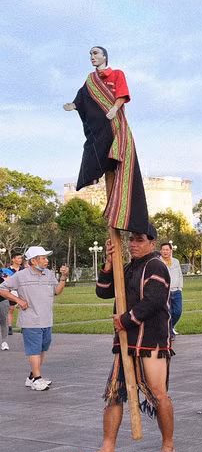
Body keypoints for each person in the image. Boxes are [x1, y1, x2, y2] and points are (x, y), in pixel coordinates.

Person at [77, 225, 174, 452]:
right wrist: (109, 264)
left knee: (158, 393)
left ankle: (168, 445)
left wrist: (125, 319)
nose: (133, 244)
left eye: (139, 240)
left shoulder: (156, 266)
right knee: (114, 393)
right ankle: (107, 450)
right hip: (125, 341)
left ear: (152, 243)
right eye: (131, 240)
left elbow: (154, 301)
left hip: (151, 340)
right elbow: (103, 292)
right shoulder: (129, 267)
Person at [65, 46, 151, 236]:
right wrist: (74, 105)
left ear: (105, 56)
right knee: (92, 151)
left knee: (116, 156)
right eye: (90, 54)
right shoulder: (90, 80)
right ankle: (91, 173)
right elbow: (82, 98)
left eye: (95, 53)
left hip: (115, 126)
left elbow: (121, 94)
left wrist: (114, 108)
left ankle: (123, 214)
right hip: (98, 128)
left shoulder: (117, 74)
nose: (92, 57)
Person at [0, 247, 68, 388]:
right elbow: (2, 288)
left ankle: (32, 377)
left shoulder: (49, 274)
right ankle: (37, 379)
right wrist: (18, 300)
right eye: (43, 258)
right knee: (34, 350)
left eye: (46, 258)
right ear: (33, 261)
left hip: (46, 319)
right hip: (30, 320)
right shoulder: (21, 275)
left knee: (42, 349)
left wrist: (63, 278)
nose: (46, 261)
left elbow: (57, 291)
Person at [159, 242, 184, 336]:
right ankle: (169, 333)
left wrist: (180, 287)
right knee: (168, 313)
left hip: (176, 291)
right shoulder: (158, 262)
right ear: (160, 251)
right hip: (165, 292)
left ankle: (170, 327)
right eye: (163, 250)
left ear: (171, 251)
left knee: (177, 311)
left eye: (167, 250)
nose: (165, 252)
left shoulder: (176, 261)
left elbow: (180, 275)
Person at [2, 253, 24, 338]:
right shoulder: (7, 271)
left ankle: (24, 326)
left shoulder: (24, 270)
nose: (20, 260)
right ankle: (9, 327)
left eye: (21, 258)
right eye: (18, 258)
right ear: (13, 259)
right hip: (12, 291)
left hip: (22, 290)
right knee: (10, 309)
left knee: (24, 307)